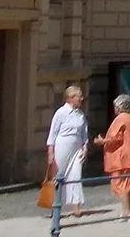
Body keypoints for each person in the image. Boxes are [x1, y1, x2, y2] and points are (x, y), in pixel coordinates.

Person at [93, 94, 130, 221]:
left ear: (118, 107)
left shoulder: (120, 119)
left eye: (115, 107)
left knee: (120, 184)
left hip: (122, 157)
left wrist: (101, 141)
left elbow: (115, 138)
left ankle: (126, 211)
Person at [47, 84, 90, 216]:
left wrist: (85, 148)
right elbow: (53, 133)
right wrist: (50, 152)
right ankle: (55, 206)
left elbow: (84, 134)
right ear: (70, 98)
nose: (81, 99)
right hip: (62, 146)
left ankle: (76, 208)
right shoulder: (61, 113)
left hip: (76, 148)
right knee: (59, 176)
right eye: (79, 96)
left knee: (76, 176)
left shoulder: (80, 114)